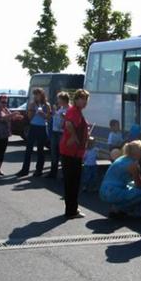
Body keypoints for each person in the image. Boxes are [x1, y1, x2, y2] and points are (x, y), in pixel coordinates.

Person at [99, 140, 141, 219]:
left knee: (132, 186)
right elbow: (139, 184)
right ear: (136, 152)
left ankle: (118, 209)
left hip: (105, 190)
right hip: (112, 192)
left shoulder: (122, 159)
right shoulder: (133, 165)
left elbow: (136, 179)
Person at [59, 89, 90, 219]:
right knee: (72, 182)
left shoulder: (76, 111)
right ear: (76, 99)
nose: (84, 101)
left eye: (86, 99)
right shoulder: (74, 111)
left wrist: (83, 135)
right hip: (71, 152)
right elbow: (68, 124)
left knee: (72, 182)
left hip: (74, 152)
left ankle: (72, 209)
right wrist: (74, 137)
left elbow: (70, 124)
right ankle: (71, 211)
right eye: (82, 99)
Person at [17, 88, 51, 177]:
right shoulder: (32, 104)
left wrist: (43, 114)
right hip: (33, 127)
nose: (35, 96)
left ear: (42, 95)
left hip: (42, 128)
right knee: (29, 149)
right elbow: (29, 118)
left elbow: (49, 118)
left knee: (40, 149)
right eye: (34, 94)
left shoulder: (46, 105)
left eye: (37, 94)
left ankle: (39, 170)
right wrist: (31, 111)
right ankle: (25, 170)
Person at [0, 95, 20, 177]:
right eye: (3, 102)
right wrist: (13, 114)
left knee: (2, 152)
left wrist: (17, 117)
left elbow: (11, 118)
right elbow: (1, 118)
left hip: (5, 134)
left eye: (6, 102)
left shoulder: (6, 109)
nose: (4, 104)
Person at [46, 92, 70, 178]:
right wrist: (54, 112)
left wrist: (64, 117)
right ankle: (53, 172)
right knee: (54, 153)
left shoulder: (69, 109)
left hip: (62, 133)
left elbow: (68, 121)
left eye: (59, 99)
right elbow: (56, 117)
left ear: (64, 100)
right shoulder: (61, 108)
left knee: (63, 154)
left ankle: (64, 174)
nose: (58, 101)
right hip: (55, 132)